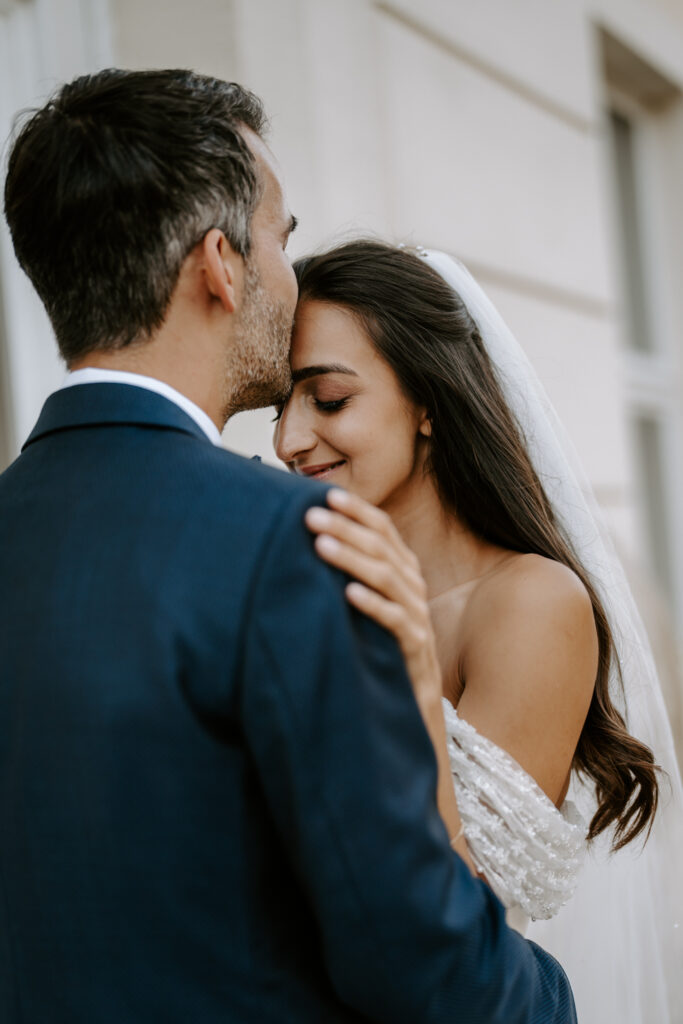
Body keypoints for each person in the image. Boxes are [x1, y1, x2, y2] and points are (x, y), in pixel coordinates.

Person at [0, 69, 576, 1022]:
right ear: (220, 264)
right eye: (281, 236)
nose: (287, 272)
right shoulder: (295, 550)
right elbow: (431, 975)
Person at [274, 238, 683, 1023]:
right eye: (280, 407)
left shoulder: (527, 604)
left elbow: (463, 935)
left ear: (428, 401)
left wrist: (416, 685)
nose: (289, 440)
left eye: (326, 400)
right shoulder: (305, 587)